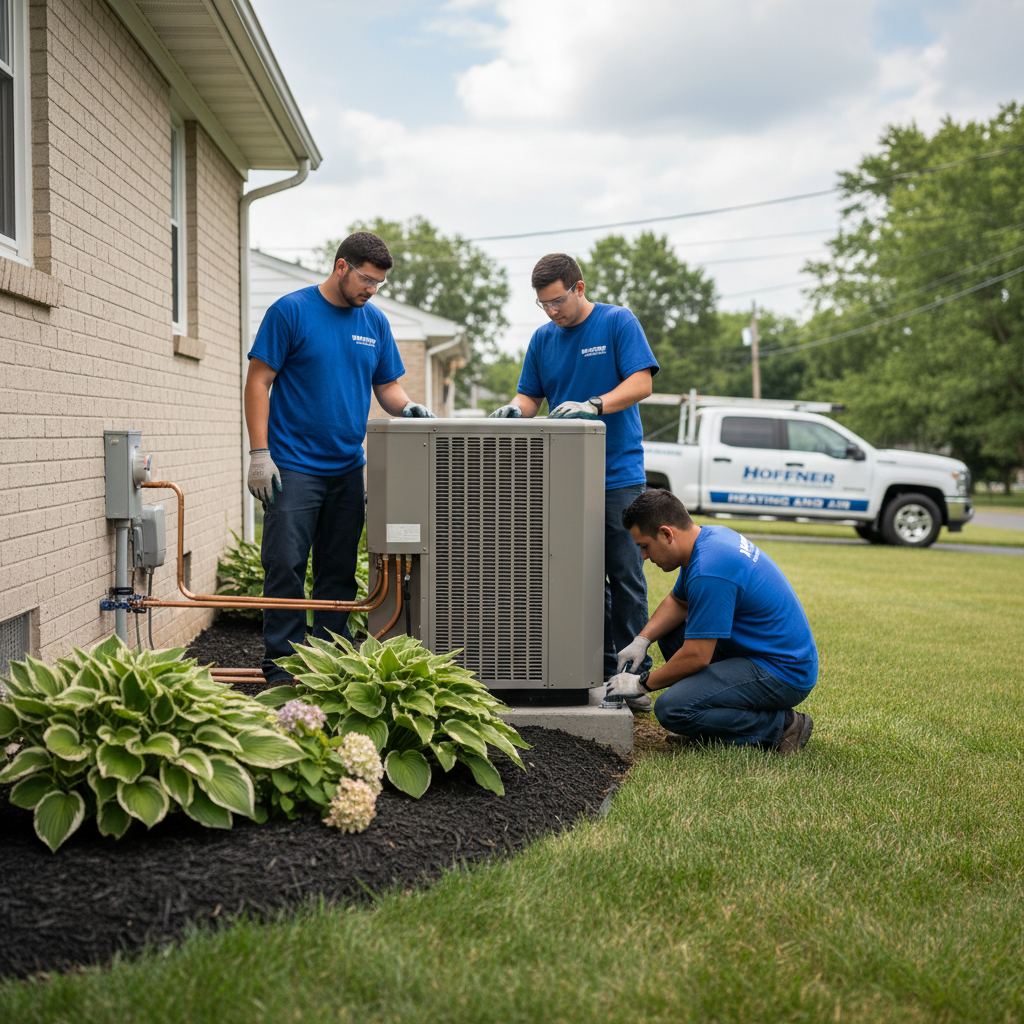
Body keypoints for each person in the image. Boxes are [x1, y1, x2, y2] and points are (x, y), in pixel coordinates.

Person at [244, 231, 434, 683]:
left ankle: (327, 665)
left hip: (349, 468)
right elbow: (258, 382)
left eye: (379, 284)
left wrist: (406, 406)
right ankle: (283, 668)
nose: (371, 290)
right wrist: (258, 453)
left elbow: (386, 386)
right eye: (367, 279)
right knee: (285, 566)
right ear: (341, 266)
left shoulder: (374, 323)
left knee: (339, 571)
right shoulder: (291, 311)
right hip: (292, 467)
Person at [490, 253, 659, 709]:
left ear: (579, 288)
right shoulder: (544, 339)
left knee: (624, 575)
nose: (552, 311)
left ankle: (633, 677)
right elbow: (530, 397)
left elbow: (642, 383)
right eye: (543, 304)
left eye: (558, 301)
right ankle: (601, 667)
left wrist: (596, 404)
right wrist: (515, 411)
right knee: (575, 577)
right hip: (561, 479)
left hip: (617, 475)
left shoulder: (617, 323)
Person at [606, 488, 817, 752]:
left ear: (666, 533)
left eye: (645, 546)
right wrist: (642, 639)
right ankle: (707, 718)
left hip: (783, 671)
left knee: (672, 709)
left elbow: (697, 656)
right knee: (672, 636)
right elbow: (677, 602)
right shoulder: (708, 539)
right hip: (763, 654)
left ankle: (783, 726)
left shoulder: (710, 570)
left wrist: (641, 683)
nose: (644, 557)